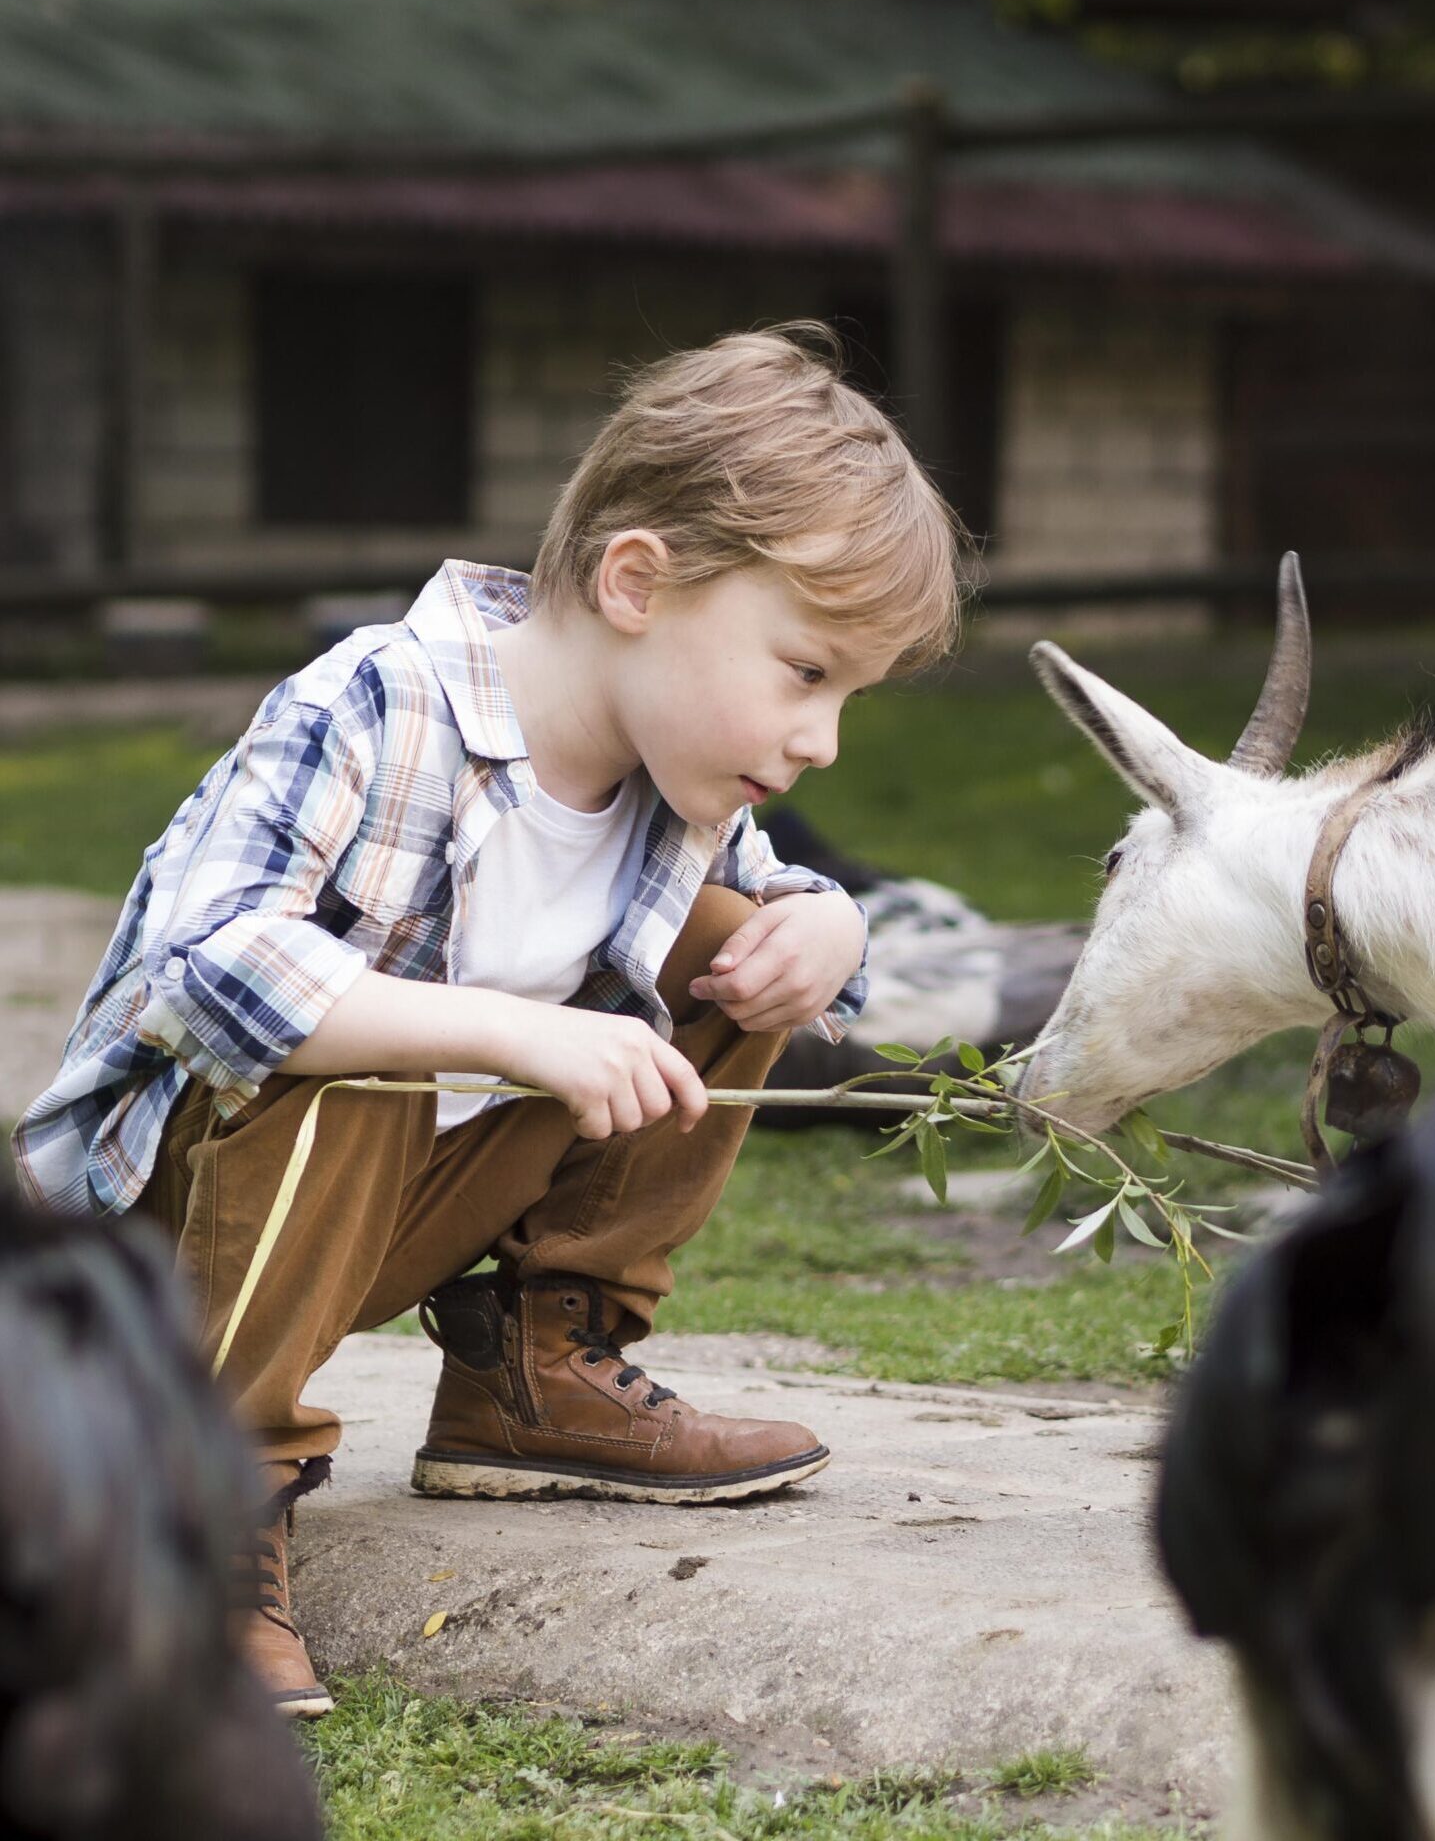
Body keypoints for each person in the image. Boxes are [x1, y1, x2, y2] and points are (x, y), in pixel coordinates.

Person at [9, 323, 965, 1720]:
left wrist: (832, 927)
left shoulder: (671, 785)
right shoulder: (376, 702)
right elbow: (199, 975)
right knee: (349, 1039)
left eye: (849, 699)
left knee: (751, 947)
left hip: (377, 1219)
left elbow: (788, 905)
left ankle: (538, 1370)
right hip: (153, 1247)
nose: (823, 739)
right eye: (806, 672)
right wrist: (503, 1033)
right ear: (638, 581)